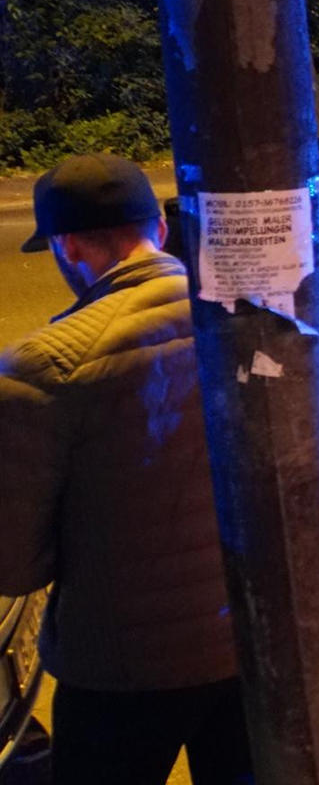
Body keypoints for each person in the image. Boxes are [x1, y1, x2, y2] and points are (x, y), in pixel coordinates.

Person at [0, 153, 250, 784]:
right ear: (158, 231)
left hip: (120, 669)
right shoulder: (245, 321)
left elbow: (13, 563)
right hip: (248, 646)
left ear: (69, 247)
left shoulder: (44, 368)